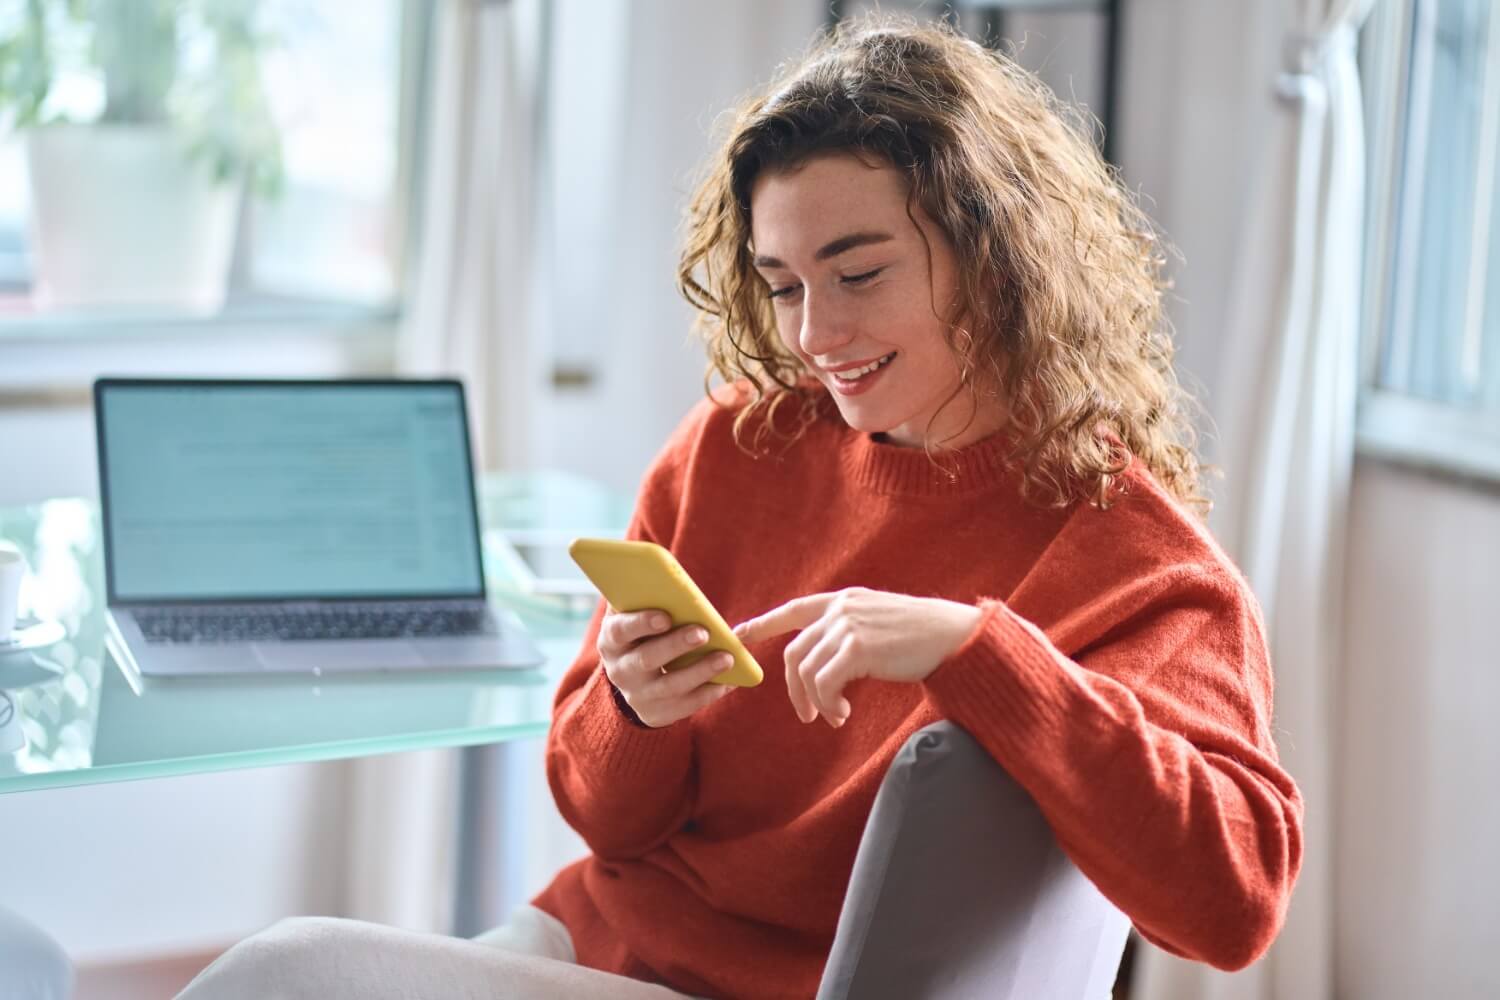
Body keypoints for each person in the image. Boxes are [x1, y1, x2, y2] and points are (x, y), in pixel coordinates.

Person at [177, 15, 1302, 1000]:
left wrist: (977, 648)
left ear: (997, 259)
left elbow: (1235, 902)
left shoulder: (1139, 563)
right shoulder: (737, 444)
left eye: (859, 274)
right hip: (603, 940)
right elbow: (601, 818)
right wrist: (632, 712)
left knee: (277, 974)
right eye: (783, 285)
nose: (814, 336)